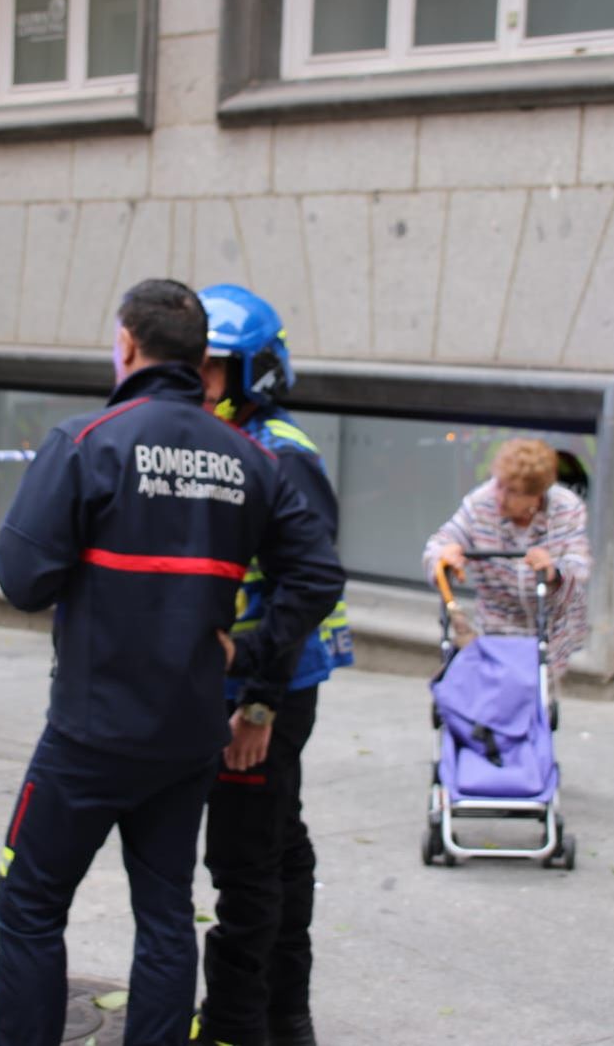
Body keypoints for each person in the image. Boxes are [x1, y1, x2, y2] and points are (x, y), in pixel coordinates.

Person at [0, 278, 345, 1046]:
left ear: (126, 344)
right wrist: (246, 653)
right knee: (166, 915)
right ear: (197, 359)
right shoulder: (251, 456)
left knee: (29, 906)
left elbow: (22, 581)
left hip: (90, 731)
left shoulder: (87, 441)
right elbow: (316, 574)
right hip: (188, 737)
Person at [193, 284, 351, 1046]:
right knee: (278, 845)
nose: (199, 380)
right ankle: (286, 1017)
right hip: (253, 683)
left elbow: (308, 584)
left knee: (243, 865)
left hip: (266, 690)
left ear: (253, 370)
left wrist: (257, 703)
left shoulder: (280, 452)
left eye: (214, 367)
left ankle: (233, 1027)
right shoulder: (221, 440)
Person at [423, 438, 591, 675]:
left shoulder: (566, 508)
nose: (500, 496)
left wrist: (553, 570)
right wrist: (445, 553)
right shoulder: (481, 502)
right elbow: (440, 542)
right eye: (499, 484)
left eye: (512, 491)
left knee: (537, 697)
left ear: (536, 494)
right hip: (496, 625)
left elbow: (579, 566)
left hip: (550, 627)